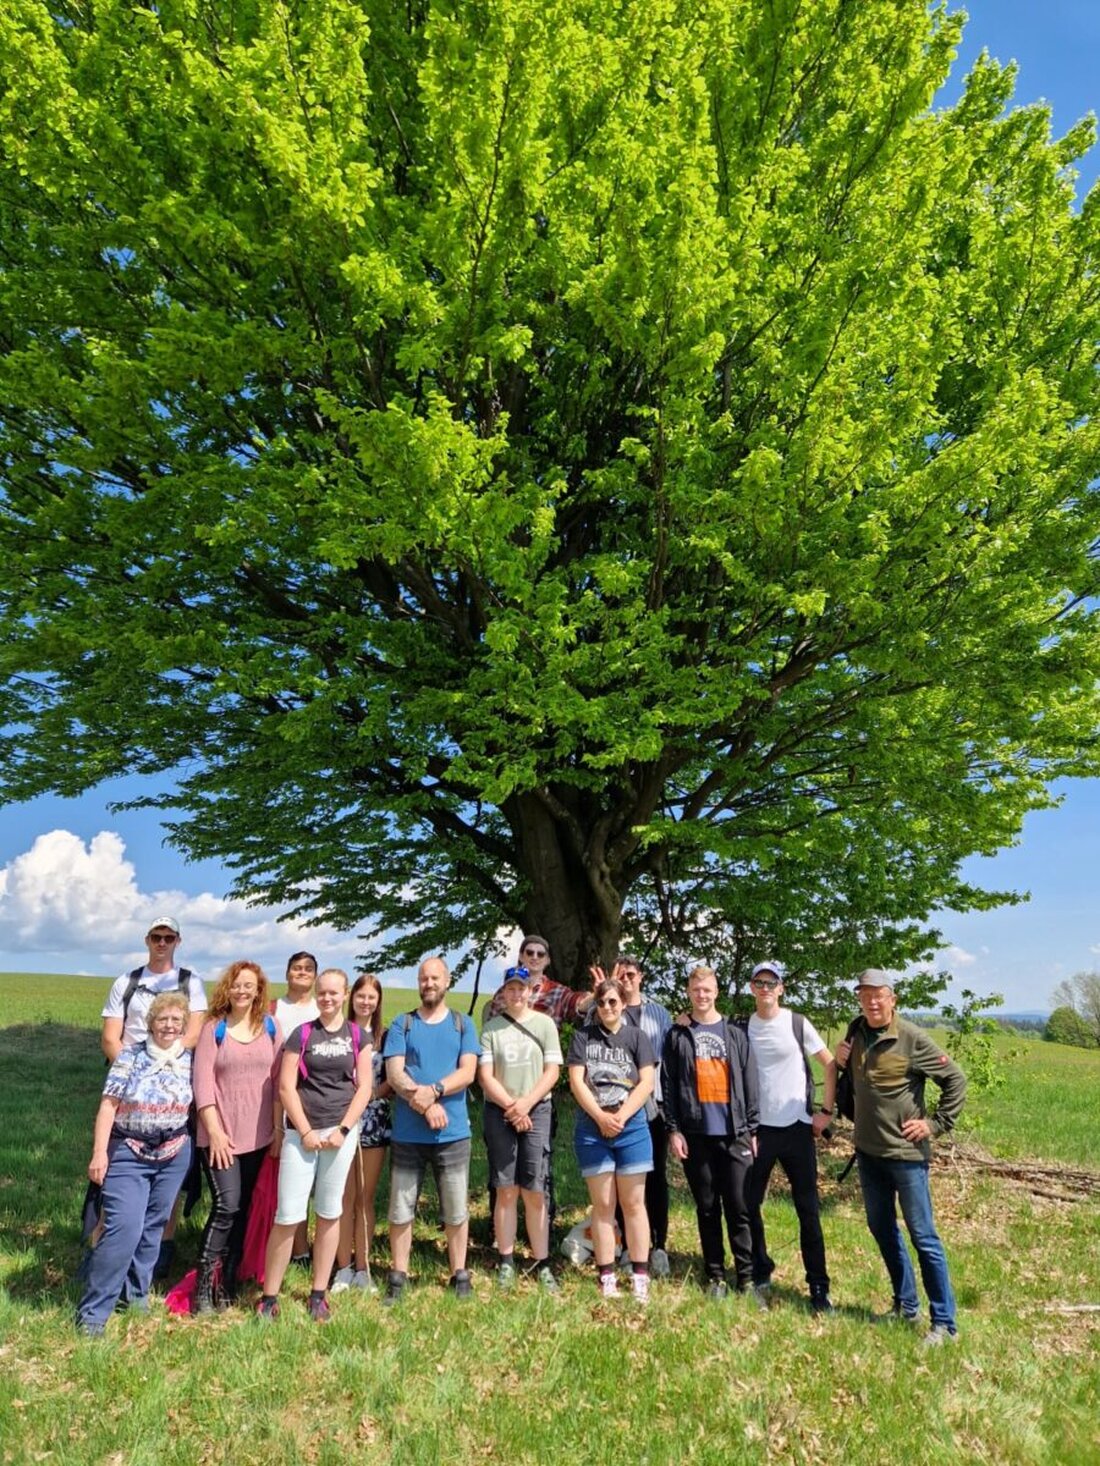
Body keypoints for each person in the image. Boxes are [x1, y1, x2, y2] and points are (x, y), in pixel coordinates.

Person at [835, 969, 967, 1345]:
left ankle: (944, 1323)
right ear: (859, 998)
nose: (872, 1002)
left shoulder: (911, 1038)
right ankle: (905, 1303)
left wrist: (936, 1124)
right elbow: (851, 1082)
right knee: (881, 1228)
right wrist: (842, 1059)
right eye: (866, 995)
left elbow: (955, 1079)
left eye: (880, 995)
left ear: (892, 999)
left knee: (923, 1237)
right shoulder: (855, 1030)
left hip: (906, 1156)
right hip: (867, 1153)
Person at [257, 968, 373, 1322]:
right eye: (322, 993)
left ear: (345, 995)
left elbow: (364, 1087)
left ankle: (318, 1293)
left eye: (333, 993)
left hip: (340, 1134)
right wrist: (305, 1131)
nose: (326, 998)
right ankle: (269, 1298)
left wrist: (342, 1129)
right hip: (300, 1135)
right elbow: (286, 1087)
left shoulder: (359, 1036)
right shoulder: (301, 1034)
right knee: (288, 1214)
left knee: (329, 1212)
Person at [76, 991, 194, 1335]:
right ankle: (94, 1313)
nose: (169, 1025)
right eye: (163, 1019)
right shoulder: (130, 1056)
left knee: (153, 1226)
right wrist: (100, 1153)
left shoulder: (190, 1059)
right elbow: (108, 1106)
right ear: (150, 1022)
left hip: (174, 1152)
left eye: (176, 1020)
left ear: (184, 1024)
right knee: (122, 1230)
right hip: (128, 1151)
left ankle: (136, 1293)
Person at [97, 916, 207, 1278]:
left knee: (169, 1170)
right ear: (147, 940)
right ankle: (105, 1245)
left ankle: (161, 1249)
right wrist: (134, 1074)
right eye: (156, 937)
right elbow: (112, 1038)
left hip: (174, 1086)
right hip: (128, 1086)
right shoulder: (127, 982)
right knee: (115, 1171)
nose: (162, 943)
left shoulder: (190, 982)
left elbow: (192, 1035)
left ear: (178, 941)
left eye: (169, 937)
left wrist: (165, 1068)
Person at [382, 956, 480, 1305]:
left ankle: (459, 1274)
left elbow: (468, 1073)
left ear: (447, 981)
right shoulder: (402, 1024)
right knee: (401, 1207)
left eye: (435, 978)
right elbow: (394, 1075)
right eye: (424, 978)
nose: (429, 984)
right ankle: (398, 1276)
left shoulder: (462, 1024)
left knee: (455, 1209)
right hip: (409, 1134)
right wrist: (425, 1103)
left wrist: (434, 1090)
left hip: (452, 1134)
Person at [743, 960, 836, 1312]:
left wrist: (824, 1113)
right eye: (759, 982)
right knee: (749, 1205)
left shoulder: (796, 1023)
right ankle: (760, 1268)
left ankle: (818, 1287)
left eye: (772, 982)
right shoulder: (744, 1027)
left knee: (807, 1210)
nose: (765, 988)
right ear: (752, 988)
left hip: (797, 1128)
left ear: (781, 988)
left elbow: (829, 1064)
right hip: (759, 1131)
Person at [662, 965, 758, 1299]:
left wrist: (753, 1128)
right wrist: (674, 1130)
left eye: (707, 990)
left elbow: (749, 1080)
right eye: (696, 990)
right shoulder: (677, 1035)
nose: (701, 996)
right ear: (689, 993)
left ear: (716, 992)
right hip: (695, 1133)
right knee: (706, 1206)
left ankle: (745, 1278)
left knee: (739, 1206)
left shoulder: (734, 1032)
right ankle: (715, 1275)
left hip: (734, 1133)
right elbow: (669, 1085)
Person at [484, 935, 594, 1226]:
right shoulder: (502, 995)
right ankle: (498, 1230)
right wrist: (510, 1104)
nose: (534, 957)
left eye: (540, 953)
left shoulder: (556, 993)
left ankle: (544, 1227)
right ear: (521, 956)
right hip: (503, 1098)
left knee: (540, 1166)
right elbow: (490, 1043)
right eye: (528, 952)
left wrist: (599, 992)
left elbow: (580, 1004)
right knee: (501, 1168)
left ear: (547, 960)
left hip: (538, 1094)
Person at [192, 960, 282, 1313]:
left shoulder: (271, 1027)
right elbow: (202, 1086)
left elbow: (278, 1084)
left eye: (250, 985)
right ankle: (203, 1287)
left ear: (259, 990)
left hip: (259, 1138)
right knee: (226, 1206)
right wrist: (214, 1132)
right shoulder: (213, 1029)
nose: (242, 990)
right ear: (226, 989)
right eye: (236, 984)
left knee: (244, 1210)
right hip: (221, 1137)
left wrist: (277, 1131)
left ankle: (227, 1282)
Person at [567, 976, 655, 1302]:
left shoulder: (637, 1036)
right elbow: (577, 1082)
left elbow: (646, 1082)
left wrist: (620, 1116)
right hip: (593, 1129)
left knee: (633, 1205)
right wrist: (601, 1118)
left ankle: (640, 1275)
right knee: (603, 1205)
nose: (607, 1007)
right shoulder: (582, 1037)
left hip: (631, 1127)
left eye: (613, 1002)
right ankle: (606, 1276)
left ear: (622, 1004)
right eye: (601, 1002)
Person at [478, 965, 563, 1293]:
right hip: (500, 1111)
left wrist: (526, 1104)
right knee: (506, 1189)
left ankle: (542, 1261)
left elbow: (552, 1071)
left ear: (530, 991)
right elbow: (486, 1076)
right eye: (510, 989)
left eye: (521, 988)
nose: (516, 994)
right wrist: (513, 1108)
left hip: (536, 1109)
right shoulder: (492, 1029)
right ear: (503, 992)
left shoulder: (544, 1025)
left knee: (534, 1189)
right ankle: (506, 1259)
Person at [590, 954, 672, 1276]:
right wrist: (600, 991)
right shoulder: (605, 1012)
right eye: (620, 975)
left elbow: (670, 1057)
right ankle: (627, 1247)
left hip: (653, 1108)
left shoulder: (658, 1013)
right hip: (617, 1111)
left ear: (641, 977)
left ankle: (659, 1245)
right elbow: (589, 1035)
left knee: (655, 1180)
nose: (626, 980)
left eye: (631, 975)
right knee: (623, 1180)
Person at [332, 973, 392, 1293]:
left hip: (374, 1121)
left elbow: (394, 1079)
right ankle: (342, 1266)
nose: (366, 1001)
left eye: (372, 996)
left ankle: (362, 1268)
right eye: (361, 995)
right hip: (341, 1121)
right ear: (350, 997)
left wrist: (371, 1095)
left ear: (378, 1001)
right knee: (344, 1196)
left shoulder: (385, 1036)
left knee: (364, 1198)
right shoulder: (338, 1033)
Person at [272, 951, 319, 1267]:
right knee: (281, 1181)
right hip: (276, 1100)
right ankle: (278, 1246)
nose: (302, 973)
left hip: (314, 1103)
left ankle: (301, 1249)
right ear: (287, 973)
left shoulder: (323, 1008)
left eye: (308, 969)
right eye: (296, 968)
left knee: (305, 1180)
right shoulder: (273, 1009)